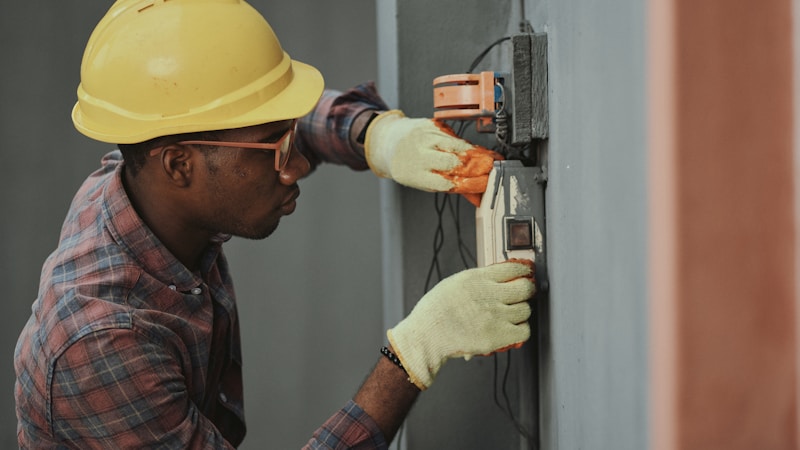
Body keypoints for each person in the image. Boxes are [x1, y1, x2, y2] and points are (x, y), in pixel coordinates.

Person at [13, 1, 536, 448]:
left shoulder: (143, 175)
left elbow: (251, 125)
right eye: (276, 149)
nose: (298, 165)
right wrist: (412, 355)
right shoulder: (102, 344)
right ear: (179, 166)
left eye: (289, 139)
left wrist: (375, 135)